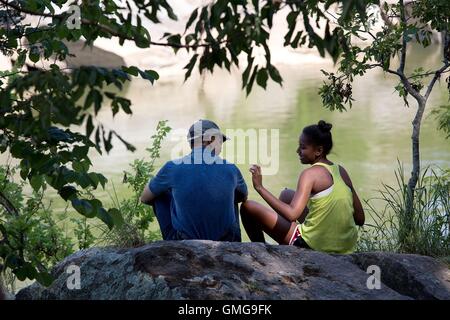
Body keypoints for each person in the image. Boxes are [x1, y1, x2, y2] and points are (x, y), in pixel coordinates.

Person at [240, 120, 365, 254]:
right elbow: (360, 218)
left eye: (303, 147)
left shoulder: (309, 174)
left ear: (318, 150)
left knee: (248, 207)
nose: (298, 151)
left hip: (315, 247)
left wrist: (260, 188)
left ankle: (263, 254)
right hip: (346, 247)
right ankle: (289, 241)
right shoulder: (341, 171)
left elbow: (292, 213)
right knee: (286, 194)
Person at [140, 119, 248, 241]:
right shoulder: (231, 169)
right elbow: (243, 197)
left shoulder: (172, 167)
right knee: (234, 195)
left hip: (185, 241)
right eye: (220, 142)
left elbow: (144, 198)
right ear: (211, 139)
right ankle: (232, 244)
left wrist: (178, 201)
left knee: (159, 194)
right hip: (227, 240)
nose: (221, 148)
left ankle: (172, 243)